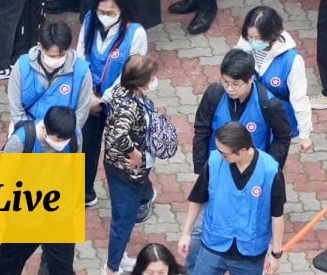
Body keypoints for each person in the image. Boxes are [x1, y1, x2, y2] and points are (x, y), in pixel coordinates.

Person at [178, 122, 286, 275]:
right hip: (214, 243)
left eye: (224, 153)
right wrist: (186, 233)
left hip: (250, 251)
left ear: (242, 150)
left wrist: (276, 253)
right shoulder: (214, 162)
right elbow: (197, 198)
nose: (220, 155)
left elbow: (277, 215)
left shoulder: (270, 171)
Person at [76, 0, 148, 208]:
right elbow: (81, 57)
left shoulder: (135, 33)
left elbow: (129, 74)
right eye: (102, 11)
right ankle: (85, 192)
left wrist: (104, 100)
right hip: (91, 98)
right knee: (86, 144)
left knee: (122, 150)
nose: (105, 16)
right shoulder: (90, 21)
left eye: (111, 13)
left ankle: (143, 196)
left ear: (122, 10)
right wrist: (89, 96)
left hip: (121, 100)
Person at [0, 106, 78, 275]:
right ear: (44, 128)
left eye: (65, 140)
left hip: (58, 214)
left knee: (63, 269)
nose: (61, 145)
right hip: (24, 215)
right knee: (7, 266)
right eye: (57, 140)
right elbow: (2, 181)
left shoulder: (74, 136)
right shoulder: (21, 141)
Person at [102, 56, 160, 275]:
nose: (154, 80)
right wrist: (134, 154)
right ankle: (111, 268)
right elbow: (119, 135)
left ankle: (120, 258)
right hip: (126, 170)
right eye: (151, 77)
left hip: (125, 167)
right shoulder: (129, 105)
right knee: (123, 219)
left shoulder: (123, 91)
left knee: (131, 210)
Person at [193, 50, 292, 170]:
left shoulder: (269, 104)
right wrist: (201, 169)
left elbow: (283, 137)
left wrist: (270, 167)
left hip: (253, 169)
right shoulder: (214, 94)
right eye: (225, 82)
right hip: (218, 166)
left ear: (251, 79)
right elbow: (201, 130)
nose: (229, 89)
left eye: (236, 84)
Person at [236, 6, 314, 153]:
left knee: (273, 162)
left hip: (279, 122)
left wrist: (305, 134)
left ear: (272, 35)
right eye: (250, 37)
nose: (253, 41)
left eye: (258, 38)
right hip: (251, 116)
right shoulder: (244, 47)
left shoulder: (291, 60)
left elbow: (299, 98)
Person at [8, 21, 91, 130]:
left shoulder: (82, 71)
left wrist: (64, 135)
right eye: (51, 56)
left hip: (63, 132)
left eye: (62, 55)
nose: (57, 60)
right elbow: (16, 107)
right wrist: (27, 133)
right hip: (27, 126)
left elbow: (82, 112)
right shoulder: (22, 65)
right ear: (39, 46)